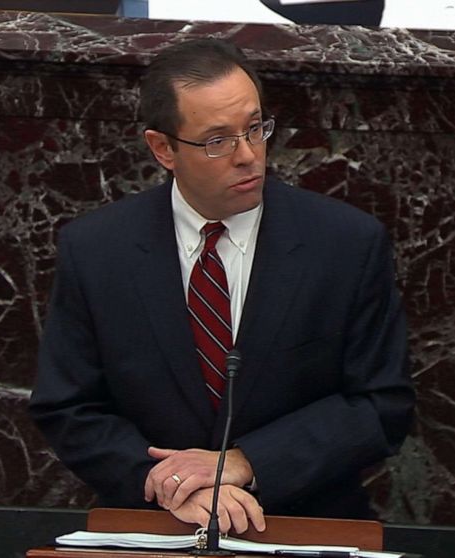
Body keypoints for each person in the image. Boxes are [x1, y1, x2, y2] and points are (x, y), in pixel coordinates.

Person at [29, 38, 414, 534]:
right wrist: (166, 483)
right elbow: (68, 406)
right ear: (163, 148)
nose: (248, 155)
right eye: (218, 140)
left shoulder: (345, 243)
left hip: (304, 522)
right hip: (153, 523)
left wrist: (246, 461)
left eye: (255, 129)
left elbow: (382, 406)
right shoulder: (97, 250)